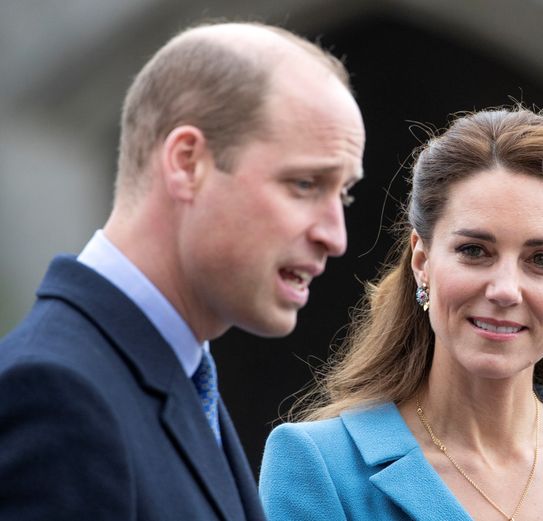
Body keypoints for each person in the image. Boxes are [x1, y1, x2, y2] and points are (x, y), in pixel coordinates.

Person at [0, 21, 365, 521]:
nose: (335, 235)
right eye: (305, 184)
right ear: (187, 163)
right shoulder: (56, 392)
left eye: (343, 193)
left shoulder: (180, 376)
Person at [259, 107, 543, 520]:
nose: (504, 290)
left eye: (541, 259)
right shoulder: (322, 466)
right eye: (474, 251)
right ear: (421, 262)